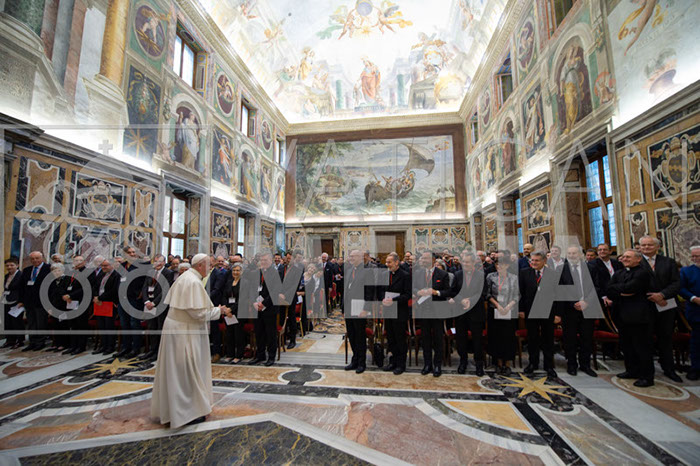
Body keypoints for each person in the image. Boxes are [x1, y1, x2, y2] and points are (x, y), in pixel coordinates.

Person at [151, 253, 233, 428]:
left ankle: (178, 409)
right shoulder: (193, 282)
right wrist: (219, 311)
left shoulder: (186, 277)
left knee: (178, 370)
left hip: (179, 328)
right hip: (184, 332)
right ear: (200, 265)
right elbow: (198, 313)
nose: (211, 268)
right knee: (186, 371)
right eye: (209, 265)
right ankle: (186, 412)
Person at [607, 249, 655, 387]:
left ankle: (646, 376)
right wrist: (621, 292)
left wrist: (619, 290)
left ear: (638, 259)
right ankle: (631, 370)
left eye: (628, 257)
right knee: (627, 345)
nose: (625, 259)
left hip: (638, 316)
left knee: (642, 347)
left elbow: (630, 288)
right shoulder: (619, 273)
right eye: (624, 257)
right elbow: (609, 290)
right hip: (621, 315)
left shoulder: (643, 273)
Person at [639, 235, 682, 383]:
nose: (646, 248)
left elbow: (676, 283)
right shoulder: (636, 262)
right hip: (645, 306)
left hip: (665, 304)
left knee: (666, 338)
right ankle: (646, 373)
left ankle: (669, 369)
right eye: (643, 245)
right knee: (645, 340)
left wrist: (662, 295)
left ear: (657, 247)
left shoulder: (668, 262)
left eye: (650, 245)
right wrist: (651, 296)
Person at [559, 246, 600, 377]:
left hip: (588, 308)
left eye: (574, 253)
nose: (572, 255)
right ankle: (571, 364)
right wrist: (573, 303)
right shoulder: (561, 269)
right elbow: (559, 289)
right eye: (569, 253)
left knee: (586, 338)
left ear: (581, 254)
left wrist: (586, 301)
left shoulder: (591, 268)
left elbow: (597, 287)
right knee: (569, 338)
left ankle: (585, 364)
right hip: (569, 310)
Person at [520, 251, 559, 378]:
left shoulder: (553, 274)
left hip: (548, 311)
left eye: (537, 260)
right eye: (532, 260)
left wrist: (558, 314)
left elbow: (558, 295)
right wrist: (521, 310)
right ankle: (533, 363)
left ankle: (548, 365)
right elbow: (521, 293)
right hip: (531, 310)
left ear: (544, 261)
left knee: (548, 339)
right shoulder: (524, 273)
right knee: (532, 338)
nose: (534, 263)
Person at [451, 251, 488, 376]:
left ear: (473, 263)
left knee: (477, 339)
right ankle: (463, 361)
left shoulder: (481, 275)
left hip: (476, 312)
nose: (465, 264)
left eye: (467, 262)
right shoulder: (457, 275)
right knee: (461, 339)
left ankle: (479, 364)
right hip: (461, 313)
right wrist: (461, 300)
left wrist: (470, 300)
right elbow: (453, 292)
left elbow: (483, 293)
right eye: (464, 262)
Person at [413, 251, 450, 377]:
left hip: (437, 310)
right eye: (422, 258)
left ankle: (437, 364)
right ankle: (427, 364)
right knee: (426, 339)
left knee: (438, 338)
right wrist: (418, 292)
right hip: (423, 310)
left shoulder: (443, 274)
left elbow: (447, 291)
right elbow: (414, 288)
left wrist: (436, 292)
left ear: (433, 260)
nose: (423, 260)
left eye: (426, 258)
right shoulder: (418, 273)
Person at [342, 249, 375, 373]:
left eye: (353, 256)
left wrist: (366, 309)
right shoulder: (349, 270)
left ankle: (361, 362)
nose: (351, 258)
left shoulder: (368, 272)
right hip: (349, 307)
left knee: (360, 336)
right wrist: (343, 308)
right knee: (352, 335)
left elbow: (370, 292)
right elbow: (346, 290)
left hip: (360, 307)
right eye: (350, 256)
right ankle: (354, 359)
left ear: (361, 258)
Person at [486, 253, 519, 375]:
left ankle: (507, 363)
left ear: (507, 265)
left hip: (509, 311)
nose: (499, 266)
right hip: (495, 310)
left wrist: (508, 306)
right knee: (496, 337)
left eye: (502, 264)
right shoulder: (490, 276)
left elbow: (517, 295)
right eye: (497, 264)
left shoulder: (513, 278)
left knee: (508, 337)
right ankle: (498, 363)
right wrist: (498, 305)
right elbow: (487, 294)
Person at [378, 252, 411, 375]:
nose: (387, 264)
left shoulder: (405, 276)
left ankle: (401, 364)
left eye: (389, 262)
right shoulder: (384, 275)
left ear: (397, 262)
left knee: (399, 339)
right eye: (386, 262)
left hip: (399, 311)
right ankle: (392, 362)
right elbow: (381, 290)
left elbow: (407, 295)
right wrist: (383, 299)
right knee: (391, 338)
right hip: (388, 311)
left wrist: (393, 300)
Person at [244, 252, 278, 366]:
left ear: (271, 261)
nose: (263, 262)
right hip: (257, 308)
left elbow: (275, 291)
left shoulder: (275, 273)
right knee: (259, 332)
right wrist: (254, 302)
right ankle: (260, 355)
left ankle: (271, 356)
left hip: (269, 308)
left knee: (270, 333)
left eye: (265, 260)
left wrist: (263, 304)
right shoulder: (256, 273)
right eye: (262, 260)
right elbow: (251, 289)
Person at [142, 254, 175, 360]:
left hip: (160, 305)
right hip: (149, 305)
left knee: (160, 328)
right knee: (152, 327)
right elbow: (144, 288)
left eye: (160, 261)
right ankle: (152, 350)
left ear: (164, 262)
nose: (158, 263)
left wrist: (154, 303)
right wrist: (147, 301)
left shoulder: (168, 273)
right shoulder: (150, 272)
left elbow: (166, 290)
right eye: (156, 261)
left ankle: (159, 352)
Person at [17, 251, 51, 351]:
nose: (35, 260)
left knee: (41, 323)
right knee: (31, 323)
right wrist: (21, 300)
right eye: (32, 259)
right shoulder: (27, 270)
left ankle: (40, 342)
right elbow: (22, 287)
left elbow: (51, 287)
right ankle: (32, 342)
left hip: (42, 301)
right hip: (29, 302)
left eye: (37, 258)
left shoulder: (49, 269)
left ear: (42, 258)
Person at [116, 247, 146, 359]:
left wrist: (140, 293)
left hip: (134, 299)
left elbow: (145, 280)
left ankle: (136, 348)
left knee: (134, 324)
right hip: (122, 299)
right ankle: (126, 347)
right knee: (124, 324)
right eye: (129, 252)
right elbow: (117, 281)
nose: (132, 254)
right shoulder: (122, 266)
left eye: (134, 252)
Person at [679, 245, 700, 381]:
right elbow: (681, 288)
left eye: (697, 256)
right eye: (693, 256)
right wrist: (694, 298)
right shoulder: (686, 271)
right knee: (696, 342)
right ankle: (696, 368)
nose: (695, 259)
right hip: (696, 311)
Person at [62, 255, 90, 355]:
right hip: (70, 302)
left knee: (81, 325)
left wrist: (71, 295)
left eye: (80, 260)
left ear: (84, 262)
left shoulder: (88, 272)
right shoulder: (70, 273)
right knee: (72, 325)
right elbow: (64, 285)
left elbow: (86, 288)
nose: (78, 262)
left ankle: (81, 346)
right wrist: (65, 295)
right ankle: (73, 345)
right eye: (76, 260)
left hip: (81, 302)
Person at [92, 258, 120, 355]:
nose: (103, 267)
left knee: (109, 326)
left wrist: (100, 298)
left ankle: (110, 346)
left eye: (106, 265)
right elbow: (95, 286)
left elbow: (114, 290)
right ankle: (102, 346)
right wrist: (96, 297)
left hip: (109, 303)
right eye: (102, 265)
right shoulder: (101, 274)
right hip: (99, 303)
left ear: (112, 265)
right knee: (101, 326)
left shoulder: (116, 275)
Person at [221, 263, 245, 364]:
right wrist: (226, 309)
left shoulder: (245, 283)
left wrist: (231, 310)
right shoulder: (229, 282)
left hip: (239, 312)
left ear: (242, 272)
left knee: (238, 334)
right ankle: (230, 354)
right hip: (228, 312)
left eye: (237, 270)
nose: (235, 272)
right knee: (229, 334)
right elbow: (224, 296)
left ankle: (239, 355)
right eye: (234, 270)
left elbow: (242, 299)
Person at [3, 257, 23, 349]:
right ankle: (10, 340)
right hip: (6, 300)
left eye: (12, 265)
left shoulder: (21, 275)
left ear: (17, 265)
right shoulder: (6, 276)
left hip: (17, 301)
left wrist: (21, 301)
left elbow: (23, 289)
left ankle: (19, 340)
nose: (9, 267)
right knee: (7, 322)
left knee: (16, 322)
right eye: (7, 265)